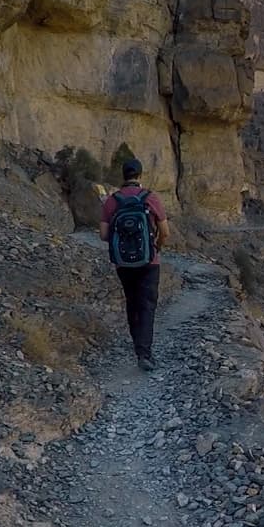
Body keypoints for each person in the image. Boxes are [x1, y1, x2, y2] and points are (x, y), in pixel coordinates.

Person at [99, 159, 170, 371]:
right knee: (147, 305)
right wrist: (155, 247)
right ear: (140, 175)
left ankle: (138, 348)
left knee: (132, 302)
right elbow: (165, 232)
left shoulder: (112, 201)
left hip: (123, 263)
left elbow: (103, 235)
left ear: (123, 175)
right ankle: (145, 354)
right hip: (149, 261)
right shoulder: (151, 198)